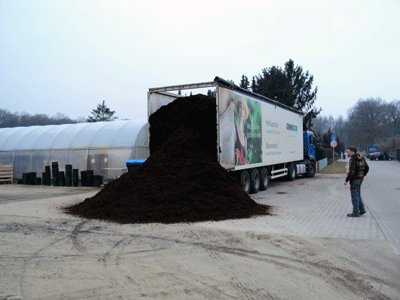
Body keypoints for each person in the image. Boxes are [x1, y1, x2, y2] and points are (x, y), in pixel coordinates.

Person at [344, 146, 369, 217]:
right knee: (358, 194)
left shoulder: (353, 159)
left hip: (354, 180)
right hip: (360, 179)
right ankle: (362, 210)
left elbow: (351, 172)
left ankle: (355, 213)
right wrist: (363, 175)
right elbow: (367, 168)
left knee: (354, 196)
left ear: (352, 151)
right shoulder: (361, 158)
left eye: (348, 151)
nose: (348, 153)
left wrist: (346, 180)